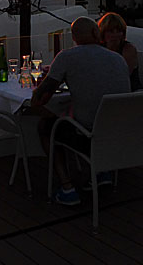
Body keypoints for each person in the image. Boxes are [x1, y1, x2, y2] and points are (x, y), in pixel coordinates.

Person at [31, 16, 131, 206]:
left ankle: (67, 188)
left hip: (90, 138)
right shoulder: (118, 59)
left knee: (47, 127)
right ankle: (101, 173)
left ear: (74, 38)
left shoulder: (67, 57)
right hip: (120, 136)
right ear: (96, 33)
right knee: (86, 114)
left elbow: (39, 98)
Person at [98, 12, 142, 91]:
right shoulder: (98, 48)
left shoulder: (128, 49)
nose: (115, 34)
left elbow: (123, 76)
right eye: (111, 31)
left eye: (118, 31)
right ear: (103, 32)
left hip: (128, 91)